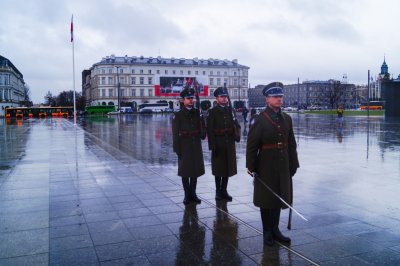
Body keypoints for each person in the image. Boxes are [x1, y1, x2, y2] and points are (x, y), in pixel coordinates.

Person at [246, 82, 299, 246]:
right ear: (267, 99)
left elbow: (291, 143)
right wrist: (251, 166)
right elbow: (252, 145)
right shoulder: (259, 119)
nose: (279, 99)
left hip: (283, 163)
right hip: (266, 164)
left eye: (280, 96)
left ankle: (275, 229)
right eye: (275, 97)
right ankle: (267, 232)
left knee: (279, 197)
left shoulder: (287, 119)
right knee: (266, 199)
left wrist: (294, 163)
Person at [172, 87, 206, 205]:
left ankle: (193, 193)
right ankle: (187, 194)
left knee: (195, 171)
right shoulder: (178, 115)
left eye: (192, 98)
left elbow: (202, 133)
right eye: (188, 99)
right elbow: (175, 134)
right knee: (185, 172)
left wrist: (202, 121)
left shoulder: (198, 112)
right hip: (184, 146)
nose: (191, 100)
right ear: (183, 100)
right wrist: (177, 149)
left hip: (195, 146)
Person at [207, 87, 238, 201]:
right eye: (222, 97)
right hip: (218, 144)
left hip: (229, 144)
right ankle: (218, 191)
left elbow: (236, 125)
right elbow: (210, 130)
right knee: (218, 170)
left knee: (227, 169)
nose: (224, 99)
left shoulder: (231, 110)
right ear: (217, 98)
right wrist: (213, 146)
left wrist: (236, 133)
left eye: (225, 96)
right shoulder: (212, 112)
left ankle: (224, 190)